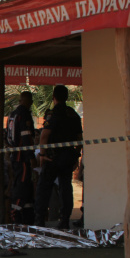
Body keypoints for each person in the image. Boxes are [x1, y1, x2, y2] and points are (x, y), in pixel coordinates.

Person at [34, 85, 83, 229]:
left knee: (44, 189)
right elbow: (80, 139)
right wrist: (75, 156)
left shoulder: (53, 114)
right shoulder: (73, 114)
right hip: (68, 156)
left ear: (53, 97)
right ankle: (64, 220)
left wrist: (42, 155)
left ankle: (39, 221)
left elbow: (44, 136)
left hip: (52, 157)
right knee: (66, 188)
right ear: (67, 97)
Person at [7, 91, 36, 224]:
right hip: (22, 158)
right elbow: (26, 136)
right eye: (30, 101)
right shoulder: (23, 114)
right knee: (22, 186)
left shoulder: (12, 115)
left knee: (27, 187)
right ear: (26, 100)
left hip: (15, 155)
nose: (31, 104)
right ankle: (15, 214)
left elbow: (7, 136)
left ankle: (28, 217)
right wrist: (31, 156)